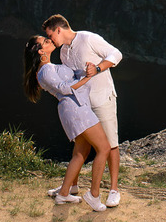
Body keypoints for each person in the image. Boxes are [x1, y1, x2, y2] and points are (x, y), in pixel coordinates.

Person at [42, 14, 123, 207]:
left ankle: (114, 190)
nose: (51, 40)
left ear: (59, 29)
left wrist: (97, 67)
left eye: (50, 35)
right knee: (80, 146)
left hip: (102, 99)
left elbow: (116, 54)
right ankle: (71, 187)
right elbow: (72, 79)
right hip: (83, 105)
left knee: (111, 144)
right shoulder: (63, 53)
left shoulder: (88, 38)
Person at [22, 35, 110, 212]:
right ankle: (94, 196)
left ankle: (65, 192)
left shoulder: (50, 67)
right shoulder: (45, 71)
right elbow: (64, 88)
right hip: (76, 109)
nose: (50, 41)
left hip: (77, 107)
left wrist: (87, 70)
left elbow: (71, 77)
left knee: (81, 153)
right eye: (45, 42)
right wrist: (86, 78)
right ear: (41, 51)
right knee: (104, 148)